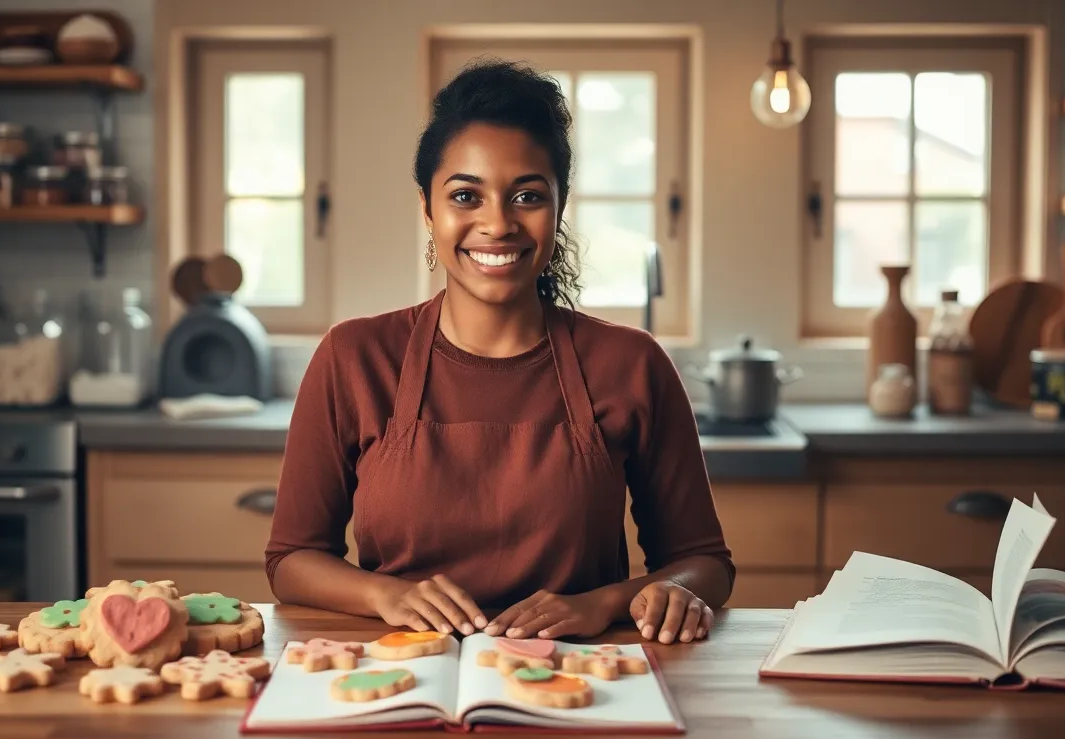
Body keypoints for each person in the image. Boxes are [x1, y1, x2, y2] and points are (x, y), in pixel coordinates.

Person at [264, 59, 734, 645]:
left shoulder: (632, 364)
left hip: (579, 683)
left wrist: (607, 603)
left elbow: (705, 564)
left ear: (559, 207)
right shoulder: (353, 357)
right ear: (427, 209)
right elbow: (291, 560)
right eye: (466, 195)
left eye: (527, 196)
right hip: (402, 678)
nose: (498, 224)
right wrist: (388, 595)